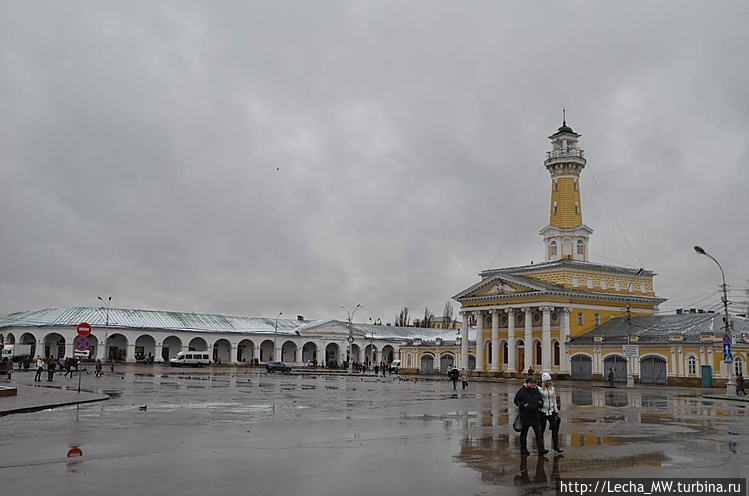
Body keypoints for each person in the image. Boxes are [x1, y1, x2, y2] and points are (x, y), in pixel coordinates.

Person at [513, 376, 547, 456]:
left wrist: (540, 403)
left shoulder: (536, 390)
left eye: (534, 383)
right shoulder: (522, 391)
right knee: (524, 433)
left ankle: (541, 449)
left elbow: (540, 399)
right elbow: (516, 401)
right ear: (527, 383)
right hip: (525, 415)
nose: (533, 384)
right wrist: (523, 405)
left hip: (535, 414)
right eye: (531, 383)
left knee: (538, 433)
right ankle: (523, 449)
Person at [539, 372, 563, 454]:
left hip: (551, 411)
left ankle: (556, 446)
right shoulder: (539, 389)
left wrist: (556, 410)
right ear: (543, 381)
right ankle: (541, 448)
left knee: (555, 428)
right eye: (546, 381)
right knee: (541, 430)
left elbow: (554, 400)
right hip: (542, 412)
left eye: (549, 380)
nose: (548, 382)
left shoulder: (552, 388)